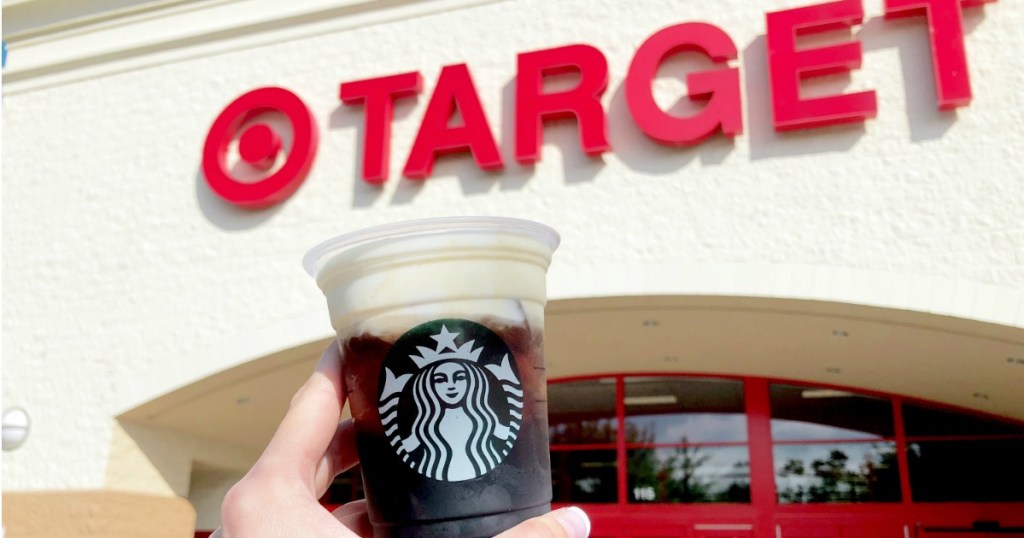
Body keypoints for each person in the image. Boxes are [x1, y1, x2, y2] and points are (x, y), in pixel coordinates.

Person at [210, 341, 591, 538]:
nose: (451, 385)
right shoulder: (425, 434)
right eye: (440, 379)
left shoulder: (483, 427)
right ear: (427, 387)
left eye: (460, 377)